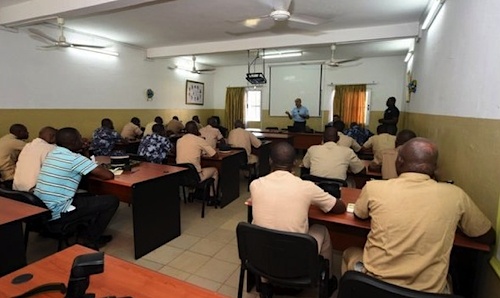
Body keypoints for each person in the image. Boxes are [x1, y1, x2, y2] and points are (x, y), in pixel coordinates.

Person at [342, 138, 495, 293]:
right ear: (435, 168)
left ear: (399, 162)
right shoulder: (456, 195)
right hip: (427, 292)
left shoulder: (374, 188)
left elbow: (360, 215)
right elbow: (487, 236)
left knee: (349, 253)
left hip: (375, 287)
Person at [250, 142, 346, 293]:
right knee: (322, 229)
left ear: (270, 161)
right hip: (296, 261)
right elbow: (339, 208)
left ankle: (267, 280)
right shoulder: (306, 187)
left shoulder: (255, 185)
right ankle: (328, 281)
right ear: (295, 163)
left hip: (263, 258)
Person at [34, 127, 119, 248]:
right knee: (111, 200)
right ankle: (89, 238)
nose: (83, 139)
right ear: (74, 141)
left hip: (43, 209)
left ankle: (87, 231)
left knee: (90, 196)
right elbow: (108, 175)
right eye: (80, 137)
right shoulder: (74, 159)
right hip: (59, 211)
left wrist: (84, 151)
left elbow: (84, 164)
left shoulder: (53, 153)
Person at [176, 121, 219, 198]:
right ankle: (212, 196)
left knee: (192, 167)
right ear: (196, 129)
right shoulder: (199, 140)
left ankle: (190, 193)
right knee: (215, 170)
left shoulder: (179, 140)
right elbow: (215, 155)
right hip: (196, 176)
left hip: (182, 176)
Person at [13, 126, 57, 192]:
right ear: (52, 137)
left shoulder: (27, 146)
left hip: (17, 190)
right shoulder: (51, 149)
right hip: (33, 192)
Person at [0, 124, 29, 188]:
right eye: (25, 131)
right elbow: (34, 149)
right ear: (19, 132)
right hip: (8, 176)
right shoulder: (15, 142)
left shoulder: (3, 139)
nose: (28, 133)